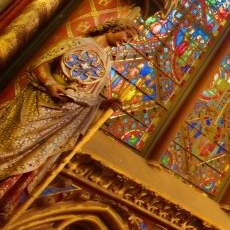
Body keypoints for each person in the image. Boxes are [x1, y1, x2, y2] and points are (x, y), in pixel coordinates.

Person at [0, 18, 138, 206]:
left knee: (37, 157)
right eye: (127, 35)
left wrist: (105, 103)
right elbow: (40, 65)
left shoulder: (106, 62)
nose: (126, 41)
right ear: (115, 27)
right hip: (39, 102)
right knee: (12, 140)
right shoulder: (77, 43)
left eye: (130, 40)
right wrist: (51, 85)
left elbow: (89, 95)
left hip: (64, 119)